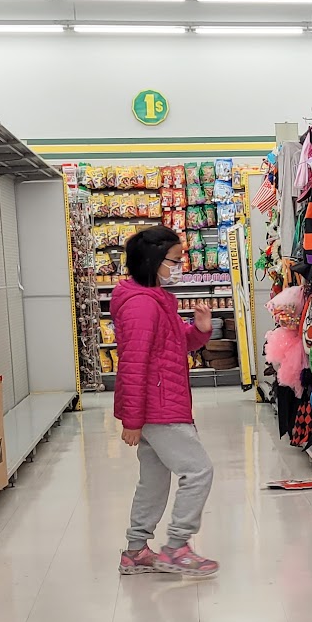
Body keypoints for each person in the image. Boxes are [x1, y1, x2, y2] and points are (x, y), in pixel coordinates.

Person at [111, 226, 219, 577]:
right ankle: (176, 547)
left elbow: (173, 346)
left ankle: (136, 550)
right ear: (153, 260)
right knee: (198, 470)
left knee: (154, 480)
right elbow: (133, 364)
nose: (179, 266)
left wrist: (199, 330)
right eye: (175, 260)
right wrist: (132, 420)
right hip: (159, 406)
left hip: (160, 401)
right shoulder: (142, 305)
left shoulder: (153, 298)